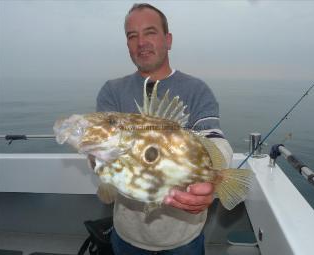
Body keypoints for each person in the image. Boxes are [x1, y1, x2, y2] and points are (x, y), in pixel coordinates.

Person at [96, 3, 233, 255]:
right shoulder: (112, 91)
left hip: (184, 239)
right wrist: (93, 151)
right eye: (132, 36)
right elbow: (103, 162)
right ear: (127, 44)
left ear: (168, 40)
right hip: (127, 236)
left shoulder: (196, 89)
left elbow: (215, 139)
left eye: (150, 32)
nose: (141, 42)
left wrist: (213, 181)